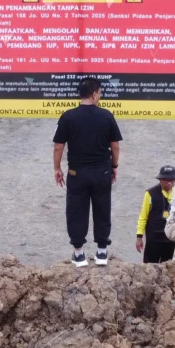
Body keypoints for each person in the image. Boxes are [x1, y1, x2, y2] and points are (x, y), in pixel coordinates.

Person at [53, 77, 122, 268]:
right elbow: (115, 146)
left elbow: (59, 146)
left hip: (77, 173)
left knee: (77, 211)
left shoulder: (68, 116)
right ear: (93, 94)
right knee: (102, 209)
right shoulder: (107, 116)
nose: (100, 96)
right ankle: (101, 252)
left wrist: (57, 168)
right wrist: (114, 167)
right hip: (102, 172)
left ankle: (79, 253)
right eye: (99, 92)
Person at [135, 165, 175, 264]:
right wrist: (139, 238)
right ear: (160, 180)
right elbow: (143, 217)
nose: (169, 182)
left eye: (172, 180)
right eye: (166, 179)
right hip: (153, 239)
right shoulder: (150, 194)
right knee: (149, 268)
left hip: (170, 239)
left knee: (168, 268)